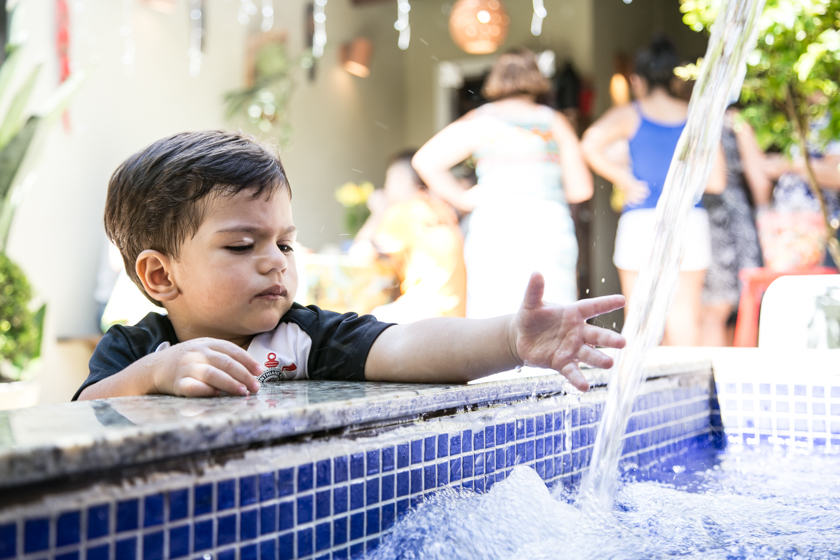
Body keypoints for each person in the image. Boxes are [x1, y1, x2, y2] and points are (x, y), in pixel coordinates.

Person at [73, 131, 626, 401]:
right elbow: (82, 413)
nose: (275, 263)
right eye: (243, 246)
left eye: (285, 244)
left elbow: (409, 346)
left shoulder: (304, 336)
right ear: (160, 276)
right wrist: (153, 375)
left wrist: (509, 337)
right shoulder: (136, 350)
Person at [412, 48, 593, 319]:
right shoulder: (553, 122)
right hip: (546, 227)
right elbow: (582, 189)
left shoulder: (481, 120)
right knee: (551, 315)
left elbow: (425, 161)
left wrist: (462, 197)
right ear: (536, 77)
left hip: (493, 227)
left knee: (493, 317)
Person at [581, 37, 725, 346]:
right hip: (688, 218)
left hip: (641, 220)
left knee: (640, 317)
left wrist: (623, 178)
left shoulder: (630, 114)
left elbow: (589, 144)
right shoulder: (697, 116)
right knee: (685, 316)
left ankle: (642, 392)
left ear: (637, 79)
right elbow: (717, 182)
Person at [351, 150, 467, 323]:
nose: (387, 186)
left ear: (400, 177)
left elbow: (358, 254)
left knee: (359, 324)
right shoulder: (440, 207)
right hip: (456, 314)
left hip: (424, 313)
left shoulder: (405, 210)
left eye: (388, 178)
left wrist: (378, 211)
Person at [700, 108, 771, 346]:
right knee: (737, 309)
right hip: (730, 217)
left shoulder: (682, 115)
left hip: (697, 216)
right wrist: (765, 214)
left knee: (707, 311)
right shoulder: (735, 119)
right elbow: (758, 177)